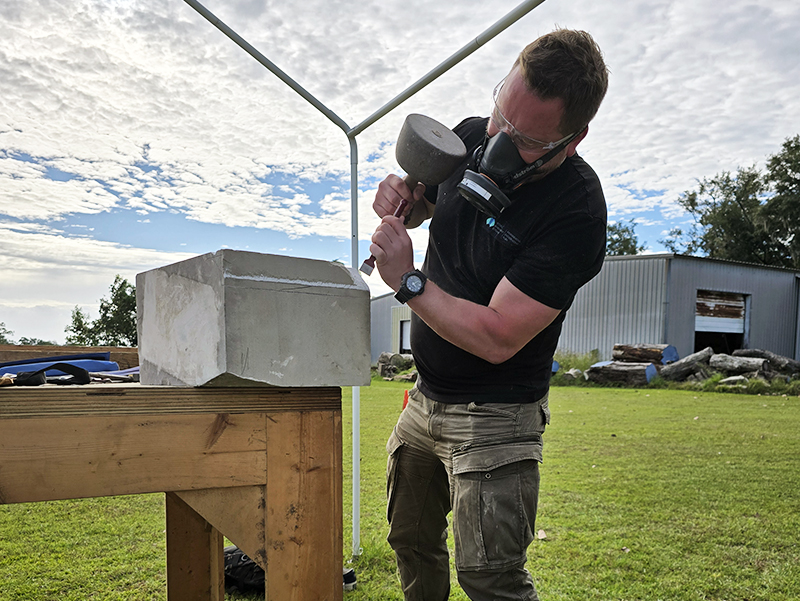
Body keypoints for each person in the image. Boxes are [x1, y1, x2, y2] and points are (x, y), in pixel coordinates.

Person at [369, 29, 609, 601]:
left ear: (570, 141)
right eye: (501, 110)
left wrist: (407, 282)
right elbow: (431, 199)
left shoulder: (576, 211)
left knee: (490, 578)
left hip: (497, 417)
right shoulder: (473, 133)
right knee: (410, 541)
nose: (496, 139)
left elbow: (500, 335)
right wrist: (407, 201)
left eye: (524, 138)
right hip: (424, 398)